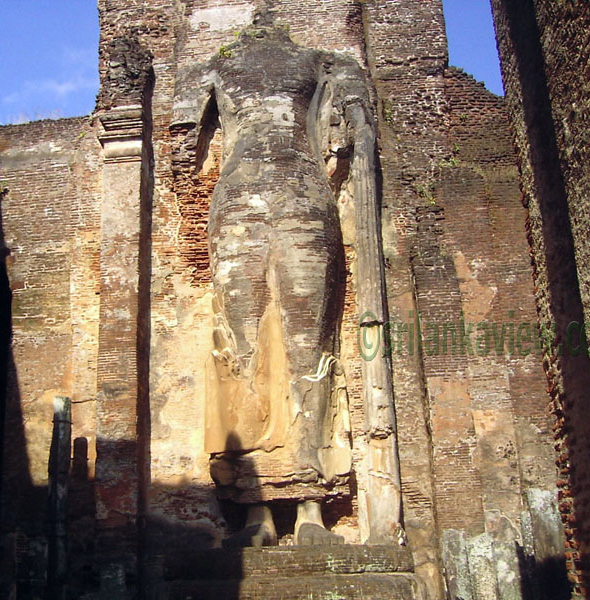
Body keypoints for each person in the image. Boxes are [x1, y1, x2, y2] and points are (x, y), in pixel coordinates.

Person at [171, 11, 384, 547]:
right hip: (237, 205)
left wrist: (351, 103)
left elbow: (360, 128)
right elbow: (182, 148)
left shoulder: (323, 63)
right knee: (241, 351)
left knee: (309, 349)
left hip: (306, 203)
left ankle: (312, 502)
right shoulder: (213, 67)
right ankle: (256, 508)